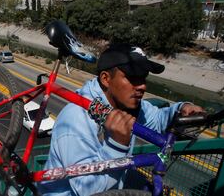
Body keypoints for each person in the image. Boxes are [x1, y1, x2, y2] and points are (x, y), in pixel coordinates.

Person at [38, 44, 204, 196]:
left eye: (143, 77)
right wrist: (117, 145)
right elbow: (86, 189)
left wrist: (182, 108)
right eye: (132, 78)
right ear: (105, 79)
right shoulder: (77, 117)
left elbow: (158, 119)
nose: (142, 86)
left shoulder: (128, 105)